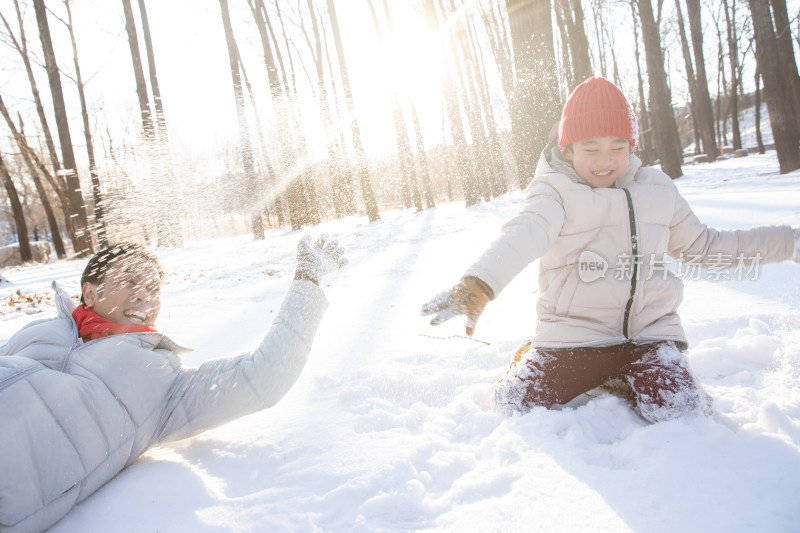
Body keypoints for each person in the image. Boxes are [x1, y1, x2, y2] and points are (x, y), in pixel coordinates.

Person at [421, 76, 800, 423]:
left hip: (650, 340)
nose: (605, 161)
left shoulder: (658, 189)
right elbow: (526, 232)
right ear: (568, 149)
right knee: (514, 405)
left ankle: (625, 375)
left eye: (617, 147)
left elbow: (707, 247)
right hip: (574, 339)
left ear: (631, 146)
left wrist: (789, 243)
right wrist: (480, 284)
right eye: (591, 148)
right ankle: (537, 355)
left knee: (687, 413)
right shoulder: (553, 191)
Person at [0, 234, 347, 533]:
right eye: (131, 281)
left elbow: (262, 376)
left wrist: (307, 283)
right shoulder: (38, 330)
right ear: (89, 293)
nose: (145, 296)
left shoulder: (163, 380)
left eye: (153, 289)